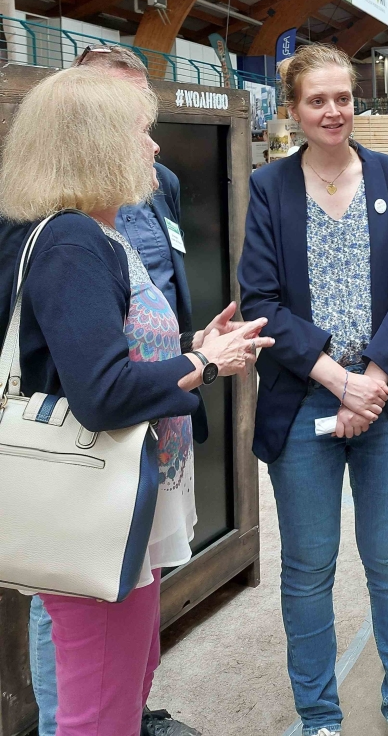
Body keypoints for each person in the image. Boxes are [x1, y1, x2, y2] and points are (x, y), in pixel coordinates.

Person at [0, 67, 272, 736]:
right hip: (93, 511)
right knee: (97, 716)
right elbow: (101, 393)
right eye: (140, 133)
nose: (153, 148)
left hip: (126, 508)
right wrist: (203, 362)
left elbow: (105, 353)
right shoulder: (72, 241)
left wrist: (189, 343)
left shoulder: (96, 231)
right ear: (96, 145)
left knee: (123, 692)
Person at [238, 44, 388, 736]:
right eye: (317, 99)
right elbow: (260, 297)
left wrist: (372, 381)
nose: (334, 111)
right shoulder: (270, 187)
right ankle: (320, 714)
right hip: (305, 402)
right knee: (309, 566)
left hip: (382, 399)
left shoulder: (386, 174)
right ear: (292, 110)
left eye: (344, 97)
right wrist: (338, 380)